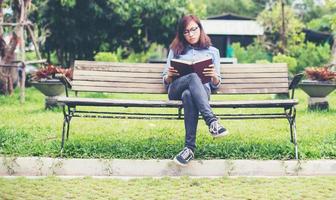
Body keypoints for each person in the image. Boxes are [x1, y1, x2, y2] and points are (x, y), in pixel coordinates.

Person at [162, 15, 229, 166]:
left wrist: (214, 76)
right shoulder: (175, 50)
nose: (191, 34)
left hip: (202, 93)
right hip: (176, 89)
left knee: (189, 95)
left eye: (194, 29)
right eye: (186, 32)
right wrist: (169, 75)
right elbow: (165, 80)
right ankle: (212, 122)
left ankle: (189, 149)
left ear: (200, 29)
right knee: (192, 77)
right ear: (181, 34)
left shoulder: (213, 52)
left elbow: (216, 84)